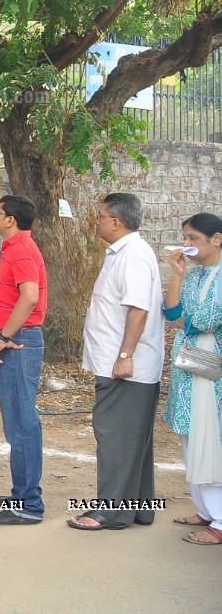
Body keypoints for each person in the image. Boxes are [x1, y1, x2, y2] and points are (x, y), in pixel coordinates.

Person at [66, 194, 164, 532]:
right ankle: (139, 508)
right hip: (120, 363)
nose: (97, 221)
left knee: (115, 438)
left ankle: (110, 512)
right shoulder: (124, 253)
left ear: (116, 222)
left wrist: (125, 355)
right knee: (132, 440)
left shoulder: (133, 255)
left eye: (101, 216)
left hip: (125, 367)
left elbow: (138, 309)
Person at [0, 194, 48, 525]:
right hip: (14, 340)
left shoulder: (21, 248)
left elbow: (30, 296)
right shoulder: (15, 248)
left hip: (17, 342)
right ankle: (22, 493)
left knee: (22, 423)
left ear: (10, 219)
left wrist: (5, 336)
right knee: (17, 423)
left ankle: (28, 503)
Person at [162, 212, 222, 545]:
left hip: (212, 366)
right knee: (191, 436)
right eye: (185, 238)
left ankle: (221, 520)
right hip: (193, 362)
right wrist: (178, 276)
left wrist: (186, 320)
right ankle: (206, 509)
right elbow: (173, 315)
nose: (186, 245)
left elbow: (202, 320)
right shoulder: (196, 274)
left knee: (211, 438)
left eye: (193, 238)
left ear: (217, 239)